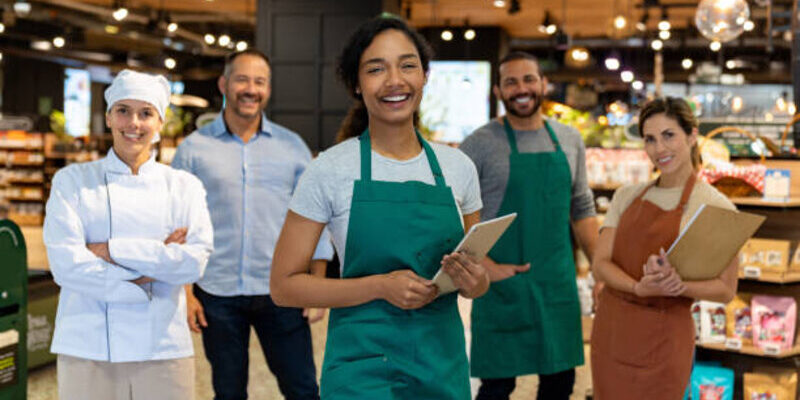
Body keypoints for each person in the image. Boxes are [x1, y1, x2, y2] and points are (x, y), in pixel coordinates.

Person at [269, 16, 489, 400]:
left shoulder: (458, 168)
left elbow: (477, 277)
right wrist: (378, 287)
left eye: (407, 65)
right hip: (361, 372)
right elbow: (284, 286)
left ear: (424, 77)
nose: (394, 81)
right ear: (356, 84)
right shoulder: (329, 169)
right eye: (376, 69)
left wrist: (475, 282)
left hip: (442, 370)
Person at [171, 49, 334, 400]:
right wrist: (185, 293)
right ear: (224, 84)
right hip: (217, 292)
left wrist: (318, 282)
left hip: (282, 288)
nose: (251, 89)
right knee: (228, 392)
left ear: (268, 89)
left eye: (260, 81)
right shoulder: (193, 150)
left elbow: (314, 215)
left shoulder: (292, 148)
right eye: (242, 79)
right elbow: (177, 224)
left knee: (303, 388)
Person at [43, 69, 214, 400]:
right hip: (87, 342)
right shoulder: (72, 182)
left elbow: (194, 263)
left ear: (160, 122)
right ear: (108, 117)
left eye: (146, 113)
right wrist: (152, 271)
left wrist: (109, 249)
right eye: (123, 110)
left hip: (163, 344)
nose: (133, 123)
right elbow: (66, 266)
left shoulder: (183, 187)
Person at [459, 51, 599, 400]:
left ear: (544, 84)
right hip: (501, 288)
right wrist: (484, 265)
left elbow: (581, 207)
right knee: (496, 387)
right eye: (511, 82)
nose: (521, 89)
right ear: (498, 91)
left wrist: (601, 270)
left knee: (559, 382)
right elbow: (451, 211)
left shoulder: (569, 139)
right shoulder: (479, 144)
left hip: (556, 284)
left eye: (529, 80)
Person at [590, 97, 738, 399]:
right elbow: (600, 264)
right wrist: (637, 287)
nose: (659, 149)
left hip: (664, 341)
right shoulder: (626, 196)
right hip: (612, 333)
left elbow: (725, 289)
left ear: (692, 135)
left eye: (669, 135)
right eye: (650, 139)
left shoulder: (715, 206)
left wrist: (678, 285)